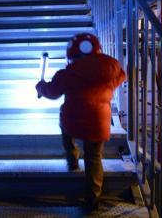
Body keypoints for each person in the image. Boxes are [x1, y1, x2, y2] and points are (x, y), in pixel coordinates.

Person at [35, 33, 126, 211]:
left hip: (73, 121)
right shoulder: (111, 66)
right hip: (99, 123)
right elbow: (120, 77)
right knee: (94, 158)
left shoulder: (68, 73)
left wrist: (40, 86)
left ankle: (73, 160)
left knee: (65, 130)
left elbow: (52, 92)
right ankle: (93, 199)